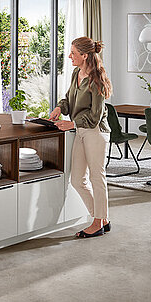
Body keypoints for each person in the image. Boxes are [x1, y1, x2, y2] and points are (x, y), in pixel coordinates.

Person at [48, 37, 113, 238]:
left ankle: (97, 223)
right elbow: (68, 98)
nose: (69, 56)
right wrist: (60, 107)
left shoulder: (98, 81)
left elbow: (95, 117)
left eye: (73, 53)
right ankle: (102, 218)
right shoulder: (77, 73)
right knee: (77, 179)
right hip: (80, 131)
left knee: (96, 177)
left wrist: (72, 124)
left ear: (84, 56)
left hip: (95, 133)